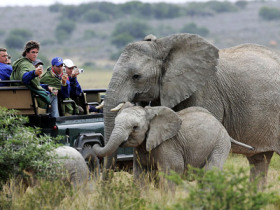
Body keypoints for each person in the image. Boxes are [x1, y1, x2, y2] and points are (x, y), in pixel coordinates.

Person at [10, 41, 59, 117]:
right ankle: (56, 120)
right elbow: (24, 78)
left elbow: (33, 83)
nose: (35, 55)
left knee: (50, 91)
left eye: (37, 52)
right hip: (29, 97)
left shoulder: (21, 62)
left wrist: (46, 86)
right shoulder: (25, 64)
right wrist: (34, 73)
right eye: (33, 52)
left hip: (23, 95)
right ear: (27, 52)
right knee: (54, 96)